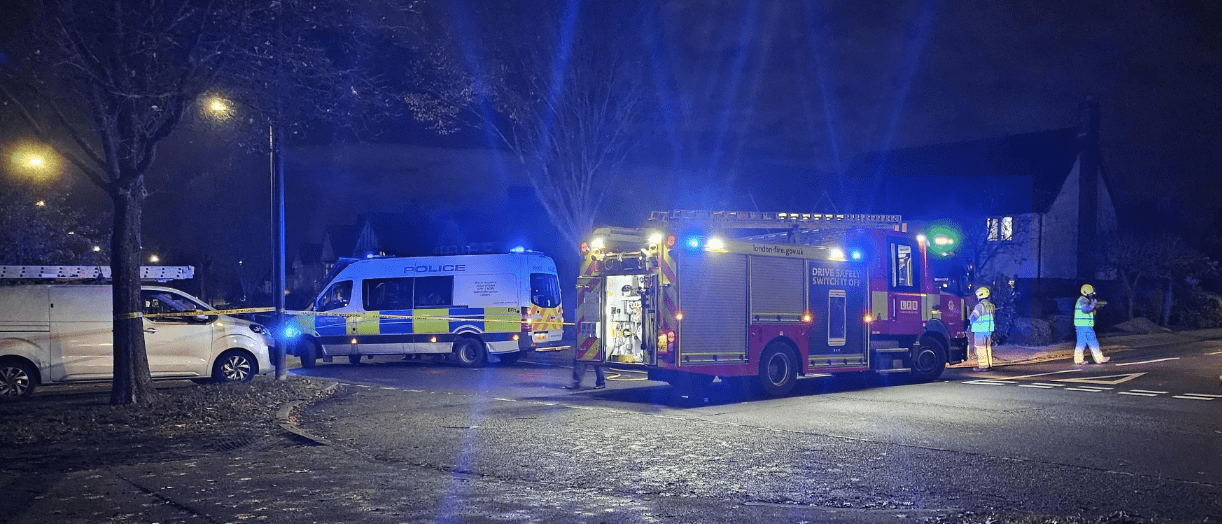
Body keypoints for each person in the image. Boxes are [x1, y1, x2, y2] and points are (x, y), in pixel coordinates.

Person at [1074, 283, 1110, 365]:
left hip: (1080, 325)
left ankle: (1078, 360)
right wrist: (1093, 304)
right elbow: (1086, 309)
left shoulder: (1081, 300)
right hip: (1085, 325)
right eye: (1090, 293)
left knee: (1081, 343)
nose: (1091, 295)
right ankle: (1099, 359)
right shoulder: (1083, 300)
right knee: (1093, 341)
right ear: (1086, 293)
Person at [969, 286, 995, 371]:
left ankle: (983, 366)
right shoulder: (991, 305)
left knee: (980, 348)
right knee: (987, 347)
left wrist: (968, 321)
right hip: (988, 330)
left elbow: (973, 317)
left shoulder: (980, 306)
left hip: (980, 329)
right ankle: (989, 364)